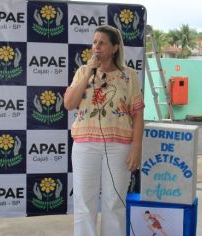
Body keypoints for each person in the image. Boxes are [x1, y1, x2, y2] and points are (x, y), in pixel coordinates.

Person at [64, 25, 144, 236]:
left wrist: (137, 148)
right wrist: (89, 71)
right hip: (85, 146)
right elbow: (69, 103)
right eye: (94, 42)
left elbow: (137, 114)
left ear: (115, 47)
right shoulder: (83, 71)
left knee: (114, 202)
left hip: (119, 147)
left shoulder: (129, 76)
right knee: (84, 201)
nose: (96, 47)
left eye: (102, 43)